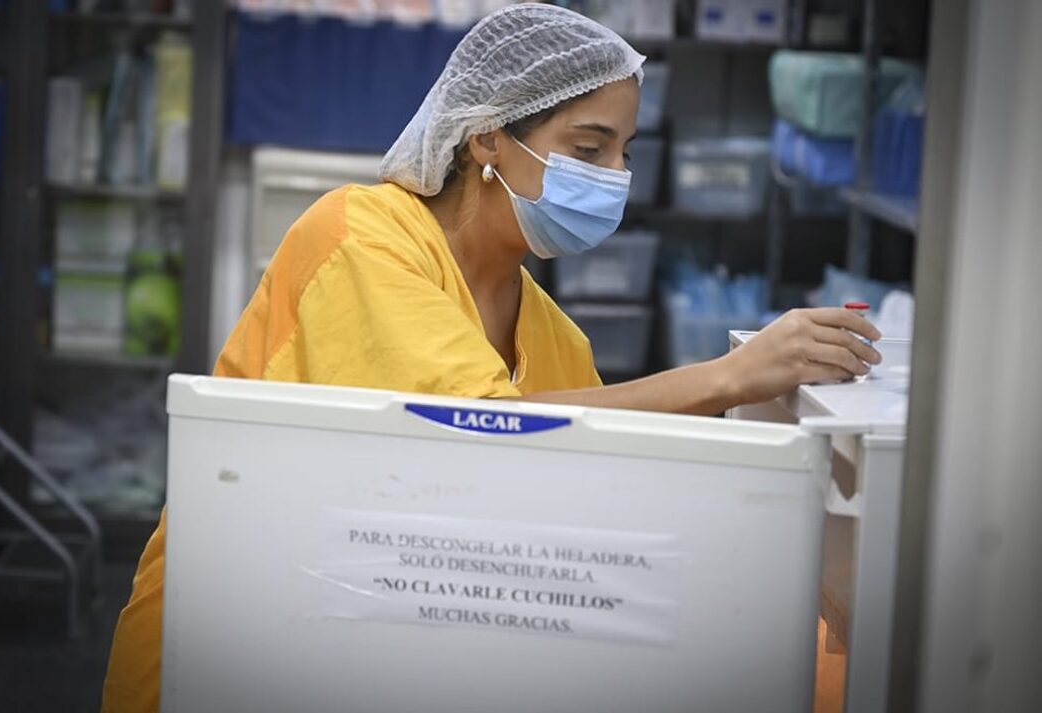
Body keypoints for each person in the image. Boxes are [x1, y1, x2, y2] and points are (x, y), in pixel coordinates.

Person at [101, 4, 881, 710]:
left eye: (624, 151)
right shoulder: (359, 237)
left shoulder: (552, 335)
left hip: (371, 632)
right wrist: (729, 378)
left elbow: (594, 495)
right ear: (487, 136)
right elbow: (474, 428)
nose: (617, 178)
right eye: (588, 147)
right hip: (234, 637)